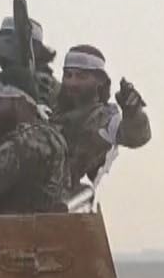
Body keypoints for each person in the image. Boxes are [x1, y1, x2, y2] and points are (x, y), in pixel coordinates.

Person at [52, 44, 151, 196]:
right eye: (68, 75)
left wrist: (133, 112)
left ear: (100, 81)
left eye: (81, 77)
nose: (72, 82)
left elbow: (136, 136)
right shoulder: (52, 102)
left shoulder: (101, 117)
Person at [0, 78, 69, 213]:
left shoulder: (23, 140)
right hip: (46, 223)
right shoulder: (52, 135)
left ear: (19, 103)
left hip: (19, 225)